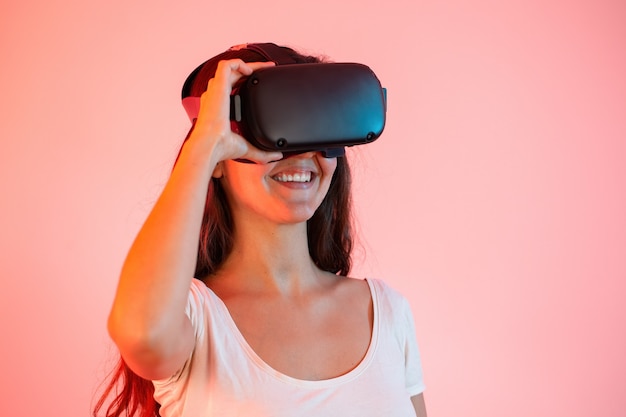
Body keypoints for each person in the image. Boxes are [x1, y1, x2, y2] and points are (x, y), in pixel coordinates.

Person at [93, 42, 427, 417]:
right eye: (278, 129)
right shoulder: (195, 319)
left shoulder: (385, 312)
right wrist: (202, 150)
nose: (303, 154)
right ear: (218, 158)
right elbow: (142, 335)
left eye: (320, 127)